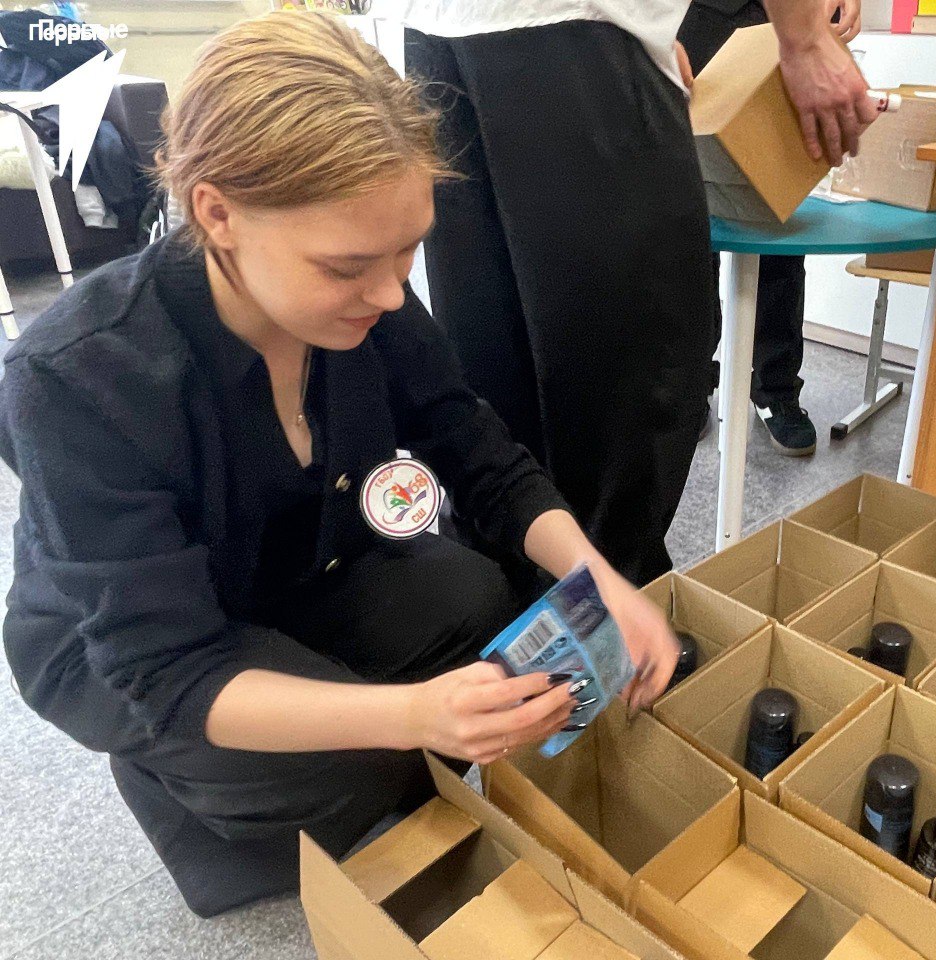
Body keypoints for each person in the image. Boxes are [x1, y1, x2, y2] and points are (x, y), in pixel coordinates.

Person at [0, 12, 677, 919]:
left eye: (409, 250)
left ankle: (307, 706)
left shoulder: (368, 297)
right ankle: (181, 787)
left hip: (285, 566)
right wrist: (411, 716)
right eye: (348, 266)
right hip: (121, 646)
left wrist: (602, 581)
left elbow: (479, 453)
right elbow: (163, 665)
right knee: (361, 762)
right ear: (217, 212)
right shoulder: (78, 376)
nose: (392, 294)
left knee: (476, 599)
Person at [402, 0, 877, 581]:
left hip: (439, 33)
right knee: (630, 401)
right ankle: (608, 615)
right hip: (573, 29)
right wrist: (804, 41)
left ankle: (526, 618)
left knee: (497, 383)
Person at [680, 0, 864, 458]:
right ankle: (691, 383)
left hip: (781, 15)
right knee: (692, 219)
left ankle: (775, 387)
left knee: (778, 209)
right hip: (696, 14)